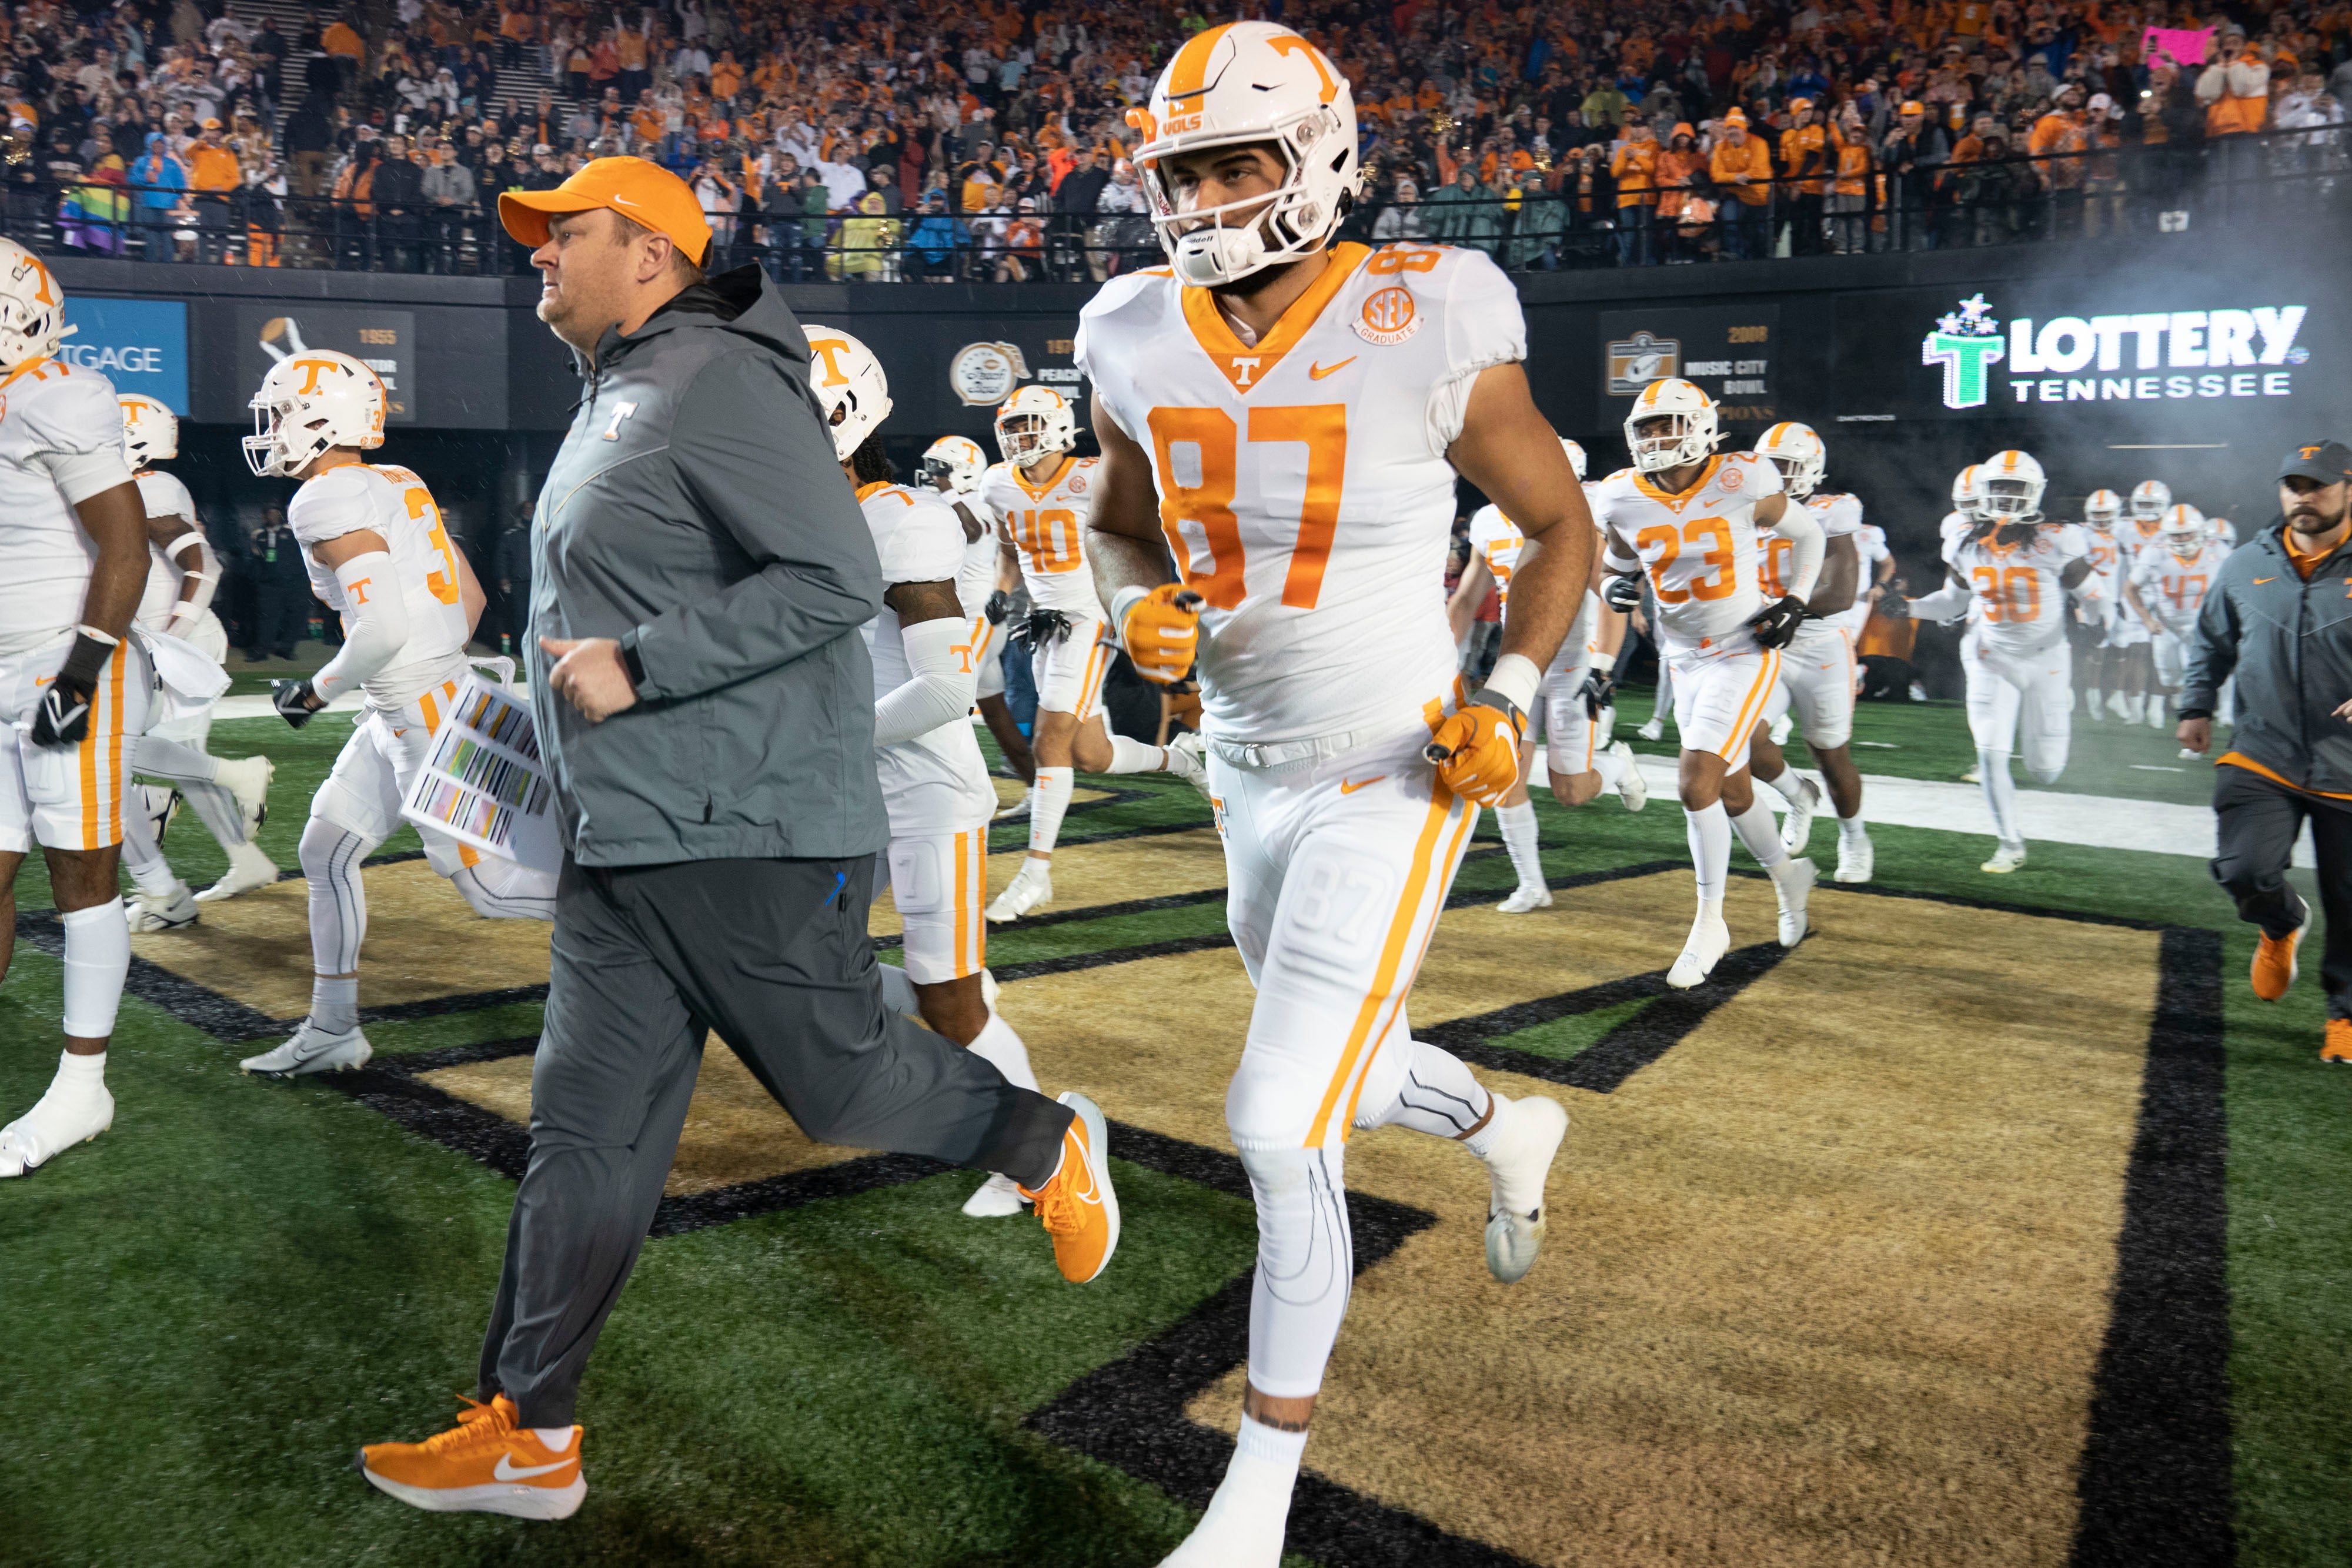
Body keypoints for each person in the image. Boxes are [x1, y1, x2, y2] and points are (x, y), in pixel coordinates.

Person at [355, 158, 1118, 1519]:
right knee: (583, 1135)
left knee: (837, 1091)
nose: (535, 256)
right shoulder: (628, 384)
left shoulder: (716, 378)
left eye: (561, 236)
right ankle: (532, 1433)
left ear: (647, 253)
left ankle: (1042, 1138)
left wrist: (641, 665)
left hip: (738, 823)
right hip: (626, 831)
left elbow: (829, 575)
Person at [1080, 26, 1578, 1560]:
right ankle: (1504, 1124)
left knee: (1280, 1113)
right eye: (1185, 171)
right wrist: (1129, 606)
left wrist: (1504, 695)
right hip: (1248, 771)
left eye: (1239, 162)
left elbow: (1560, 525)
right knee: (1354, 1071)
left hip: (1396, 762)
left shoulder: (1425, 309)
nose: (1209, 196)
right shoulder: (1128, 328)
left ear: (1321, 157)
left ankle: (1255, 1499)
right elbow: (1116, 520)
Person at [235, 350, 560, 1078]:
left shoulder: (326, 498)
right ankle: (332, 1028)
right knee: (326, 849)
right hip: (423, 698)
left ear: (324, 420)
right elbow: (471, 601)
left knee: (492, 888)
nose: (273, 429)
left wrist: (313, 692)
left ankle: (663, 939)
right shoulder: (397, 481)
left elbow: (379, 630)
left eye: (283, 413)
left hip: (423, 706)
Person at [813, 333, 1045, 1219]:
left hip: (920, 793)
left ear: (839, 416)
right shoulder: (810, 515)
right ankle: (962, 991)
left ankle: (1036, 1151)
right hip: (848, 788)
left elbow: (947, 686)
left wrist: (831, 741)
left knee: (947, 999)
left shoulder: (898, 517)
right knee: (804, 962)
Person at [0, 241, 152, 1178]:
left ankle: (83, 1085)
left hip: (61, 664)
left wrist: (81, 673)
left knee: (82, 876)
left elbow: (126, 547)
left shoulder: (56, 392)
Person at [1591, 379, 1823, 984]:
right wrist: (1609, 602)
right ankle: (1787, 875)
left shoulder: (1741, 477)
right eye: (1645, 428)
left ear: (1698, 427)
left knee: (1696, 783)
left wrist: (1795, 601)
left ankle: (1709, 920)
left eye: (1666, 425)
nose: (1654, 438)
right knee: (1735, 792)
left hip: (1743, 649)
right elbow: (1613, 573)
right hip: (1683, 657)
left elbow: (1810, 534)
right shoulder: (1620, 495)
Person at [975, 384, 1204, 922]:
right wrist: (1002, 590)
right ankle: (1184, 758)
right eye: (1010, 428)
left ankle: (1034, 873)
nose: (1018, 438)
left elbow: (1131, 537)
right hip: (1043, 624)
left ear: (1056, 426)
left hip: (1090, 620)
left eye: (1027, 426)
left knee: (1049, 740)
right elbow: (1012, 549)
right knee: (1089, 754)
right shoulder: (998, 484)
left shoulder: (1090, 475)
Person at [2180, 441, 2352, 1062]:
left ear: (2348, 489)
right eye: (2293, 485)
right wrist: (2195, 705)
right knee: (2243, 869)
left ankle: (2345, 1015)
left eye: (2319, 485)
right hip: (2263, 750)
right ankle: (2280, 922)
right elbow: (2209, 642)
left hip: (2349, 765)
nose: (2303, 497)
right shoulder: (2243, 563)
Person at [1447, 436, 1646, 911]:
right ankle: (1532, 883)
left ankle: (1618, 764)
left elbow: (1609, 593)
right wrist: (1443, 659)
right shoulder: (1489, 522)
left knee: (1571, 790)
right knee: (1504, 774)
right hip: (1517, 665)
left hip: (1573, 665)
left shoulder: (1575, 521)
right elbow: (1468, 599)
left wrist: (1603, 665)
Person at [1883, 450, 2090, 872]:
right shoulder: (1964, 543)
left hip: (2048, 660)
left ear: (2035, 493)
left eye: (2017, 489)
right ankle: (2009, 842)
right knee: (1992, 753)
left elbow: (2094, 592)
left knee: (2046, 770)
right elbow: (1952, 603)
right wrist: (1909, 608)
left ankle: (2052, 714)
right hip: (1992, 657)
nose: (2009, 498)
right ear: (1983, 493)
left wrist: (2101, 617)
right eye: (2000, 488)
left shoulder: (2058, 539)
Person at [113, 393, 276, 923]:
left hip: (172, 642)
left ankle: (168, 885)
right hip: (161, 641)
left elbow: (202, 566)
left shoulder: (151, 486)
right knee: (165, 762)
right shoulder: (142, 485)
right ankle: (243, 854)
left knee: (119, 756)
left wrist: (170, 640)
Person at [1744, 422, 1874, 883]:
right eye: (1771, 464)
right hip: (1765, 644)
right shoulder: (1742, 505)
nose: (1777, 474)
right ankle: (1797, 794)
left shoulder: (1831, 510)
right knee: (1744, 743)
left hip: (1819, 644)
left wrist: (1785, 610)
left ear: (1811, 471)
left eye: (1788, 465)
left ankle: (1854, 836)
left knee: (1832, 755)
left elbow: (1840, 592)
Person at [920, 433, 1036, 808]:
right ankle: (1040, 788)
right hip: (970, 620)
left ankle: (966, 794)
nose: (932, 475)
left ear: (963, 472)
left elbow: (973, 531)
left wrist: (949, 492)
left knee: (949, 706)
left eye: (940, 469)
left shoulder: (979, 502)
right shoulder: (950, 502)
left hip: (980, 619)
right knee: (996, 713)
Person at [2127, 503, 2230, 744]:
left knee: (2193, 676)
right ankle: (2183, 707)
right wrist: (2147, 619)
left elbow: (2236, 586)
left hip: (2200, 628)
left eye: (2187, 534)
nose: (2182, 539)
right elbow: (2130, 588)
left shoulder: (2218, 551)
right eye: (2176, 535)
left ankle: (2193, 729)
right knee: (2170, 680)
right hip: (2166, 628)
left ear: (2200, 532)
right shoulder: (2155, 552)